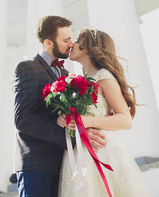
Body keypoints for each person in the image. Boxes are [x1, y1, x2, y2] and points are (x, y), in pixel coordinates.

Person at [13, 16, 106, 197]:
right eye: (65, 40)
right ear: (48, 42)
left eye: (71, 38)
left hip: (65, 164)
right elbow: (23, 119)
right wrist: (71, 139)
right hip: (36, 165)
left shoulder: (66, 74)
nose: (71, 43)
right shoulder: (27, 67)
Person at [57, 28, 150, 196]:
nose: (72, 44)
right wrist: (66, 118)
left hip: (102, 149)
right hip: (78, 152)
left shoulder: (103, 75)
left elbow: (125, 120)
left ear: (87, 48)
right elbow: (78, 117)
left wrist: (87, 121)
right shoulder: (78, 80)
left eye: (77, 40)